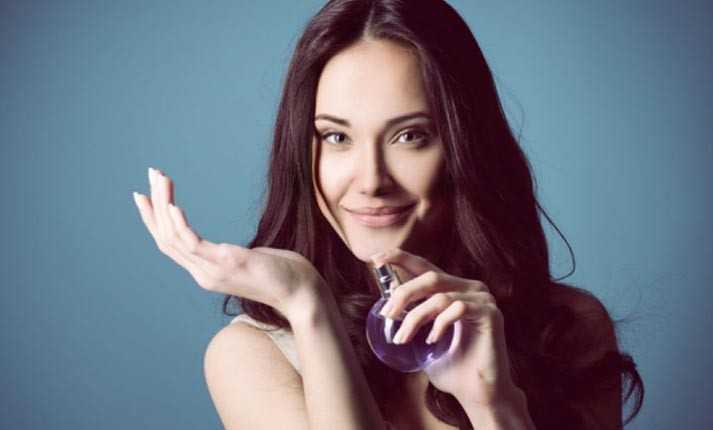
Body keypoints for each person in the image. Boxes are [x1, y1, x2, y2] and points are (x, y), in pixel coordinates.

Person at [132, 0, 644, 428]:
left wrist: (494, 405)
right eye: (337, 137)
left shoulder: (568, 327)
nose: (371, 179)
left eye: (410, 136)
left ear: (464, 146)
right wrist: (310, 306)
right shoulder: (253, 356)